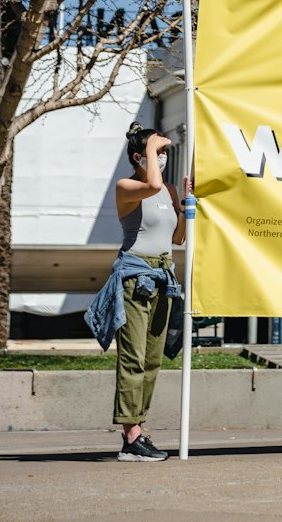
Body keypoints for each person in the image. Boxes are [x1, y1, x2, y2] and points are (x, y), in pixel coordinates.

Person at [86, 122, 186, 461]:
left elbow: (178, 239)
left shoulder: (168, 191)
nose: (162, 159)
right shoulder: (127, 186)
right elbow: (152, 182)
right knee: (132, 357)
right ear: (138, 157)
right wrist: (151, 149)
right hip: (135, 279)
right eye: (157, 153)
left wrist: (186, 204)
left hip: (163, 278)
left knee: (152, 360)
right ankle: (131, 437)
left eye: (163, 153)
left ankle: (138, 430)